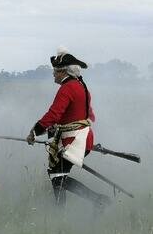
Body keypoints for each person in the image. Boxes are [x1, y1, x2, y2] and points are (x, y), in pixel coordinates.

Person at [26, 48, 110, 207]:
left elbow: (54, 115)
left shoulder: (67, 88)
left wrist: (34, 132)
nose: (53, 74)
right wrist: (56, 130)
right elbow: (80, 115)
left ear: (63, 72)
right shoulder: (80, 86)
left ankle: (98, 201)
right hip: (82, 138)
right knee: (58, 175)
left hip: (75, 140)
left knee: (57, 176)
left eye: (55, 71)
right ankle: (61, 211)